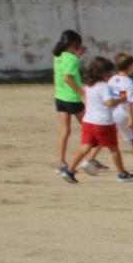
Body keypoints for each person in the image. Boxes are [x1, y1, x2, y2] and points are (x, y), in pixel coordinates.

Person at [63, 57, 133, 182]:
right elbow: (109, 102)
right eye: (110, 73)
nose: (112, 75)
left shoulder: (89, 86)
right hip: (104, 123)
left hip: (88, 122)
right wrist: (122, 99)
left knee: (85, 146)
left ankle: (70, 170)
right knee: (113, 148)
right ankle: (122, 173)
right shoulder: (104, 87)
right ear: (104, 73)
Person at [97, 52, 133, 173]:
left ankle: (90, 159)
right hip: (122, 114)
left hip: (111, 114)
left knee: (105, 138)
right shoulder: (129, 82)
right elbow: (130, 102)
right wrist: (132, 119)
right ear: (130, 66)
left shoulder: (111, 79)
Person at [52, 30, 86, 180]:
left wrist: (77, 55)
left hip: (60, 97)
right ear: (74, 45)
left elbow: (65, 66)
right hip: (73, 98)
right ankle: (89, 160)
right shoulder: (72, 59)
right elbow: (67, 77)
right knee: (90, 129)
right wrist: (81, 91)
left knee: (64, 132)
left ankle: (61, 163)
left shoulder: (58, 56)